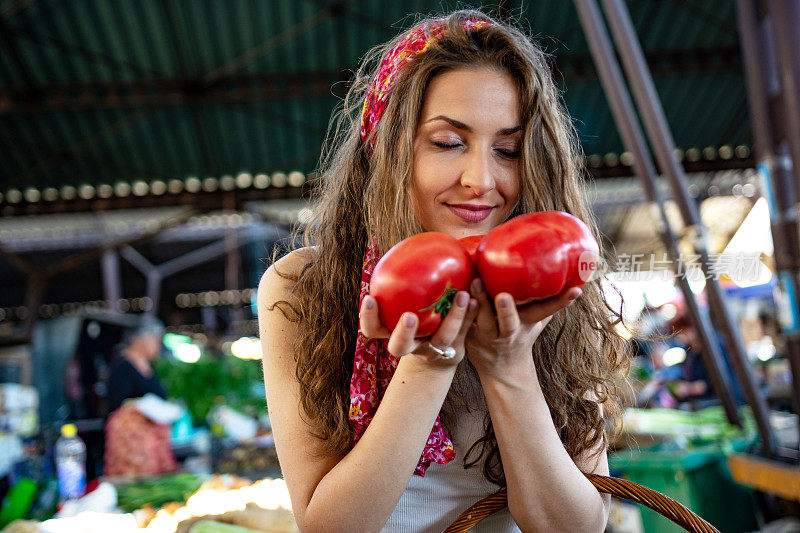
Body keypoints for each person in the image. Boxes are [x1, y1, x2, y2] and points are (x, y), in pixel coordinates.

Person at [258, 11, 629, 532]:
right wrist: (428, 367)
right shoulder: (303, 289)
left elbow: (579, 527)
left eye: (508, 150)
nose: (482, 179)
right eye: (448, 143)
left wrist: (507, 365)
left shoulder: (552, 285)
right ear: (385, 150)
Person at [106, 316, 167, 415]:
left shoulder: (151, 366)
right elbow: (118, 406)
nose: (158, 345)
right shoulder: (122, 367)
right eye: (154, 340)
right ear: (136, 340)